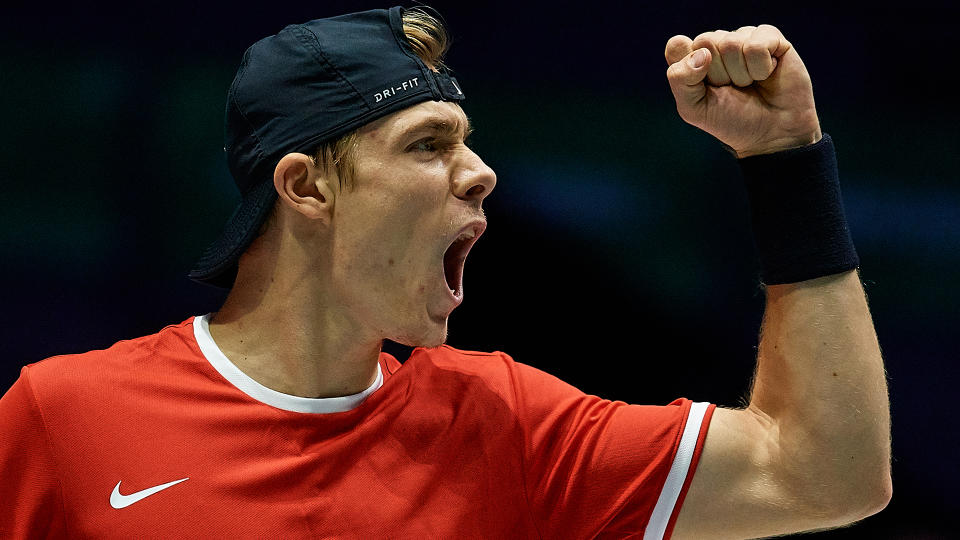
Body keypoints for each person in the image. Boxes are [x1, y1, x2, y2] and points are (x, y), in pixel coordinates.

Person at [0, 6, 891, 539]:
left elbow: (828, 473)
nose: (480, 173)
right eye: (428, 145)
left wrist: (786, 160)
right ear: (305, 186)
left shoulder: (513, 430)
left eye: (466, 143)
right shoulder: (62, 418)